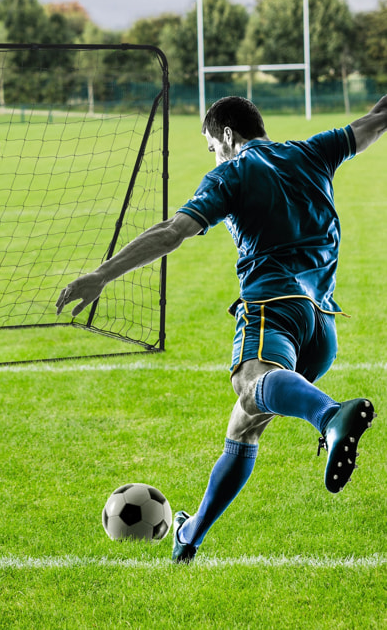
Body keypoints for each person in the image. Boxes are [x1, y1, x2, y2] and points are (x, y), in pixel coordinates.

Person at [56, 95, 387, 563]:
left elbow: (172, 231)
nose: (215, 154)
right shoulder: (314, 151)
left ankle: (331, 417)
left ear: (228, 136)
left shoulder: (232, 172)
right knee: (244, 426)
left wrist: (102, 274)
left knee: (250, 384)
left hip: (274, 309)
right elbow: (377, 119)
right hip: (322, 326)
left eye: (213, 145)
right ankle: (188, 538)